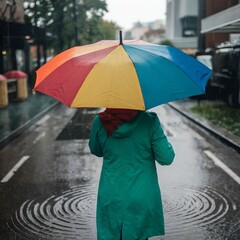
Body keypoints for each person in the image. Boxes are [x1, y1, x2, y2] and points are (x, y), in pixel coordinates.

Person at [89, 108, 175, 240]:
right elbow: (166, 158)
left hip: (111, 195)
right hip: (141, 196)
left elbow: (96, 150)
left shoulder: (100, 121)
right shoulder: (149, 121)